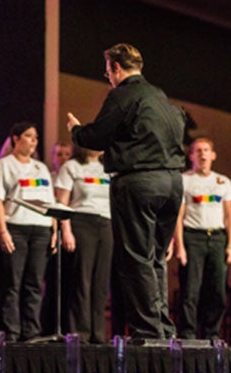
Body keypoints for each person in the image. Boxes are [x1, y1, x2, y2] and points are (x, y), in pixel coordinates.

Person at [67, 43, 186, 341]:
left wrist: (76, 131)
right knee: (156, 257)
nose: (107, 76)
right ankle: (163, 327)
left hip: (139, 182)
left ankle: (148, 332)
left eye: (107, 70)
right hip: (172, 183)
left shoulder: (123, 94)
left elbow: (97, 136)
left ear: (116, 68)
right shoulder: (160, 97)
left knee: (136, 258)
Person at [0, 122, 57, 341]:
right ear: (15, 139)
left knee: (35, 283)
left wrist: (54, 229)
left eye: (36, 136)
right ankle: (13, 331)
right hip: (15, 227)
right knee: (12, 283)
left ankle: (32, 331)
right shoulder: (4, 166)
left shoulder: (41, 168)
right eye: (28, 136)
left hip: (41, 229)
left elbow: (50, 202)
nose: (34, 140)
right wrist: (2, 230)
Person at [173, 137, 231, 341]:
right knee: (190, 290)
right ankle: (188, 334)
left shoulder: (223, 181)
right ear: (191, 156)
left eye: (206, 150)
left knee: (217, 291)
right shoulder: (184, 179)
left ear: (213, 155)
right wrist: (179, 245)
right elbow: (178, 215)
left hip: (217, 238)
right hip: (193, 238)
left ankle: (212, 334)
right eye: (197, 150)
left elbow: (229, 215)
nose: (202, 154)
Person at [53, 143, 113, 343]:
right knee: (82, 280)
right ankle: (81, 333)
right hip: (81, 222)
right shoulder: (71, 167)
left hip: (106, 224)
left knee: (101, 281)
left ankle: (98, 334)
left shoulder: (109, 168)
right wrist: (66, 230)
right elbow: (62, 203)